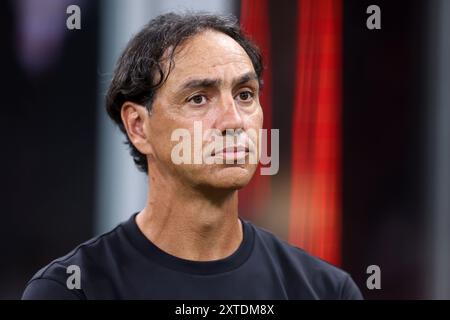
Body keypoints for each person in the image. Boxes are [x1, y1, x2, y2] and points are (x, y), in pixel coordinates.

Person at [22, 12, 362, 300]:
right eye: (199, 98)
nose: (234, 120)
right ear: (139, 126)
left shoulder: (325, 291)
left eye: (245, 94)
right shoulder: (72, 289)